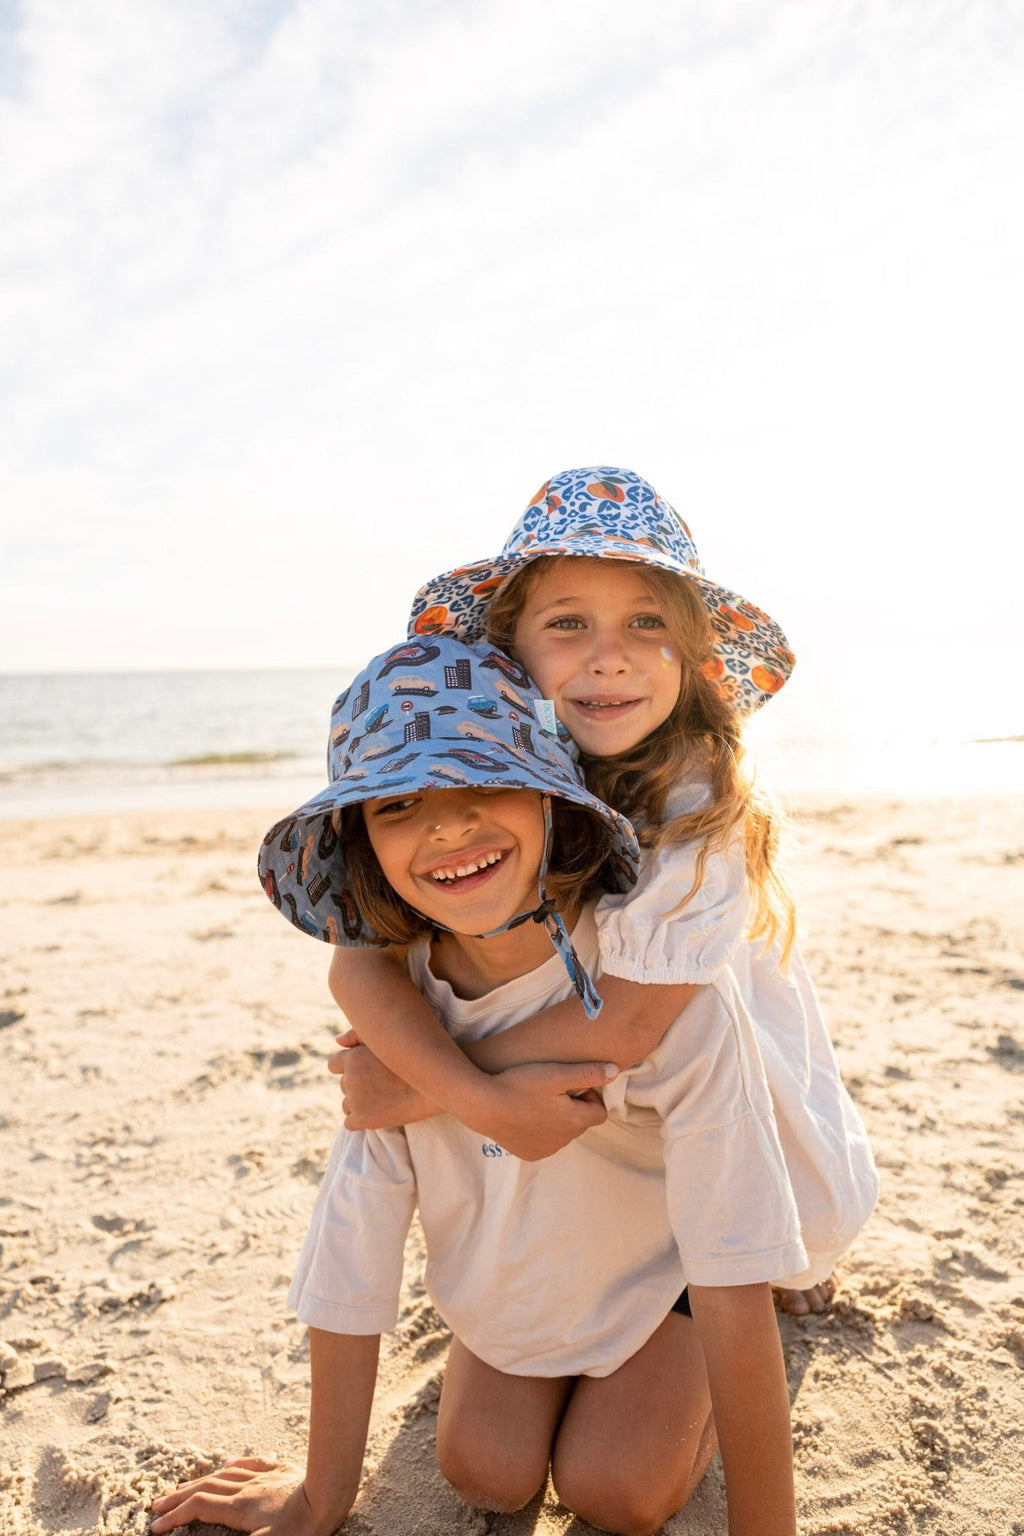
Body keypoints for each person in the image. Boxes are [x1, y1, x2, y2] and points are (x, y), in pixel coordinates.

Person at [151, 635, 804, 1536]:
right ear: (362, 843)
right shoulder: (399, 1017)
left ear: (550, 797)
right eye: (401, 804)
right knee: (483, 1469)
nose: (449, 827)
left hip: (673, 1280)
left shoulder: (656, 989)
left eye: (483, 783)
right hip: (527, 1281)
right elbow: (352, 1250)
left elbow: (733, 1266)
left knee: (613, 1487)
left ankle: (688, 1353)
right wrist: (318, 1495)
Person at [329, 467, 877, 1316]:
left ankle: (740, 1268)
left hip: (712, 1096)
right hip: (590, 1106)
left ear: (693, 660)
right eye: (568, 623)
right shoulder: (486, 776)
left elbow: (629, 1022)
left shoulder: (700, 803)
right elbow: (362, 961)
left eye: (645, 622)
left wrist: (425, 1084)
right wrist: (455, 1078)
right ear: (510, 650)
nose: (609, 655)